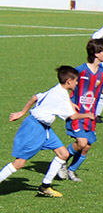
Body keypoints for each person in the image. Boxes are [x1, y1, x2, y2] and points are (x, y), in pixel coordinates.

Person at [0, 66, 94, 197]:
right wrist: (88, 115)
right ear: (69, 82)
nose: (77, 83)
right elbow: (73, 116)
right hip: (34, 128)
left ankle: (45, 187)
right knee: (19, 163)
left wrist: (22, 112)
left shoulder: (58, 89)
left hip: (45, 128)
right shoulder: (61, 96)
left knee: (63, 154)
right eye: (76, 81)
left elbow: (35, 97)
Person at [58, 39, 103, 182]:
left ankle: (71, 170)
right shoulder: (80, 70)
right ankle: (61, 160)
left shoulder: (102, 73)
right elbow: (63, 88)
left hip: (90, 116)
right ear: (96, 54)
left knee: (87, 146)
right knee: (81, 143)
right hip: (77, 114)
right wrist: (70, 103)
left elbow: (102, 90)